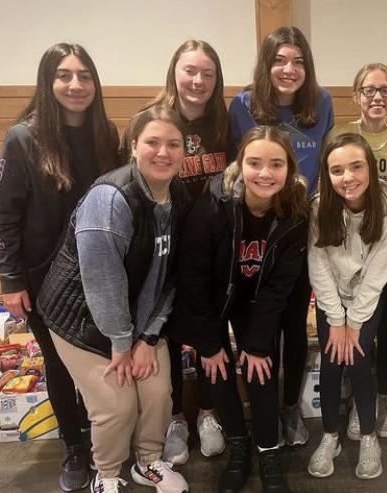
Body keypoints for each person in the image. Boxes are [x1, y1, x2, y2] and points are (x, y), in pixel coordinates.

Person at [0, 42, 118, 492]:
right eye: (64, 75)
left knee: (98, 361)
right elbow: (0, 216)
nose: (76, 85)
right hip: (43, 278)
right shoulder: (23, 138)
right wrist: (10, 280)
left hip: (98, 273)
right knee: (59, 365)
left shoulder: (106, 134)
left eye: (84, 75)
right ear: (48, 81)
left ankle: (103, 439)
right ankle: (74, 446)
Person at [36, 106, 192, 493]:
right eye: (153, 142)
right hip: (81, 318)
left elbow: (172, 276)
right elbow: (103, 283)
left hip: (137, 319)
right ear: (133, 146)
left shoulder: (180, 196)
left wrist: (149, 337)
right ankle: (106, 475)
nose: (164, 152)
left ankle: (148, 462)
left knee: (157, 393)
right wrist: (122, 344)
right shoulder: (110, 198)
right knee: (117, 405)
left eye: (174, 144)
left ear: (185, 150)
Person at [165, 126, 309, 493]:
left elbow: (279, 287)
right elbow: (194, 280)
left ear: (289, 168)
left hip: (256, 299)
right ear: (240, 164)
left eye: (276, 164)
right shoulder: (213, 205)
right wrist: (210, 344)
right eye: (255, 163)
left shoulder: (295, 212)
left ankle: (268, 450)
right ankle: (239, 447)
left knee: (261, 367)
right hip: (211, 299)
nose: (265, 173)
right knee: (216, 369)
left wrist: (257, 343)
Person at [122, 39, 231, 465]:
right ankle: (175, 418)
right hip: (161, 244)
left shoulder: (225, 123)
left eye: (207, 73)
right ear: (174, 72)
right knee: (163, 331)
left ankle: (208, 411)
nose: (198, 80)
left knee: (208, 326)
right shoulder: (153, 120)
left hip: (211, 246)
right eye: (190, 70)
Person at [227, 25, 334, 446]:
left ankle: (290, 406)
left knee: (292, 319)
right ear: (265, 65)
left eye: (298, 62)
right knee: (259, 318)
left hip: (300, 227)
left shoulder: (321, 102)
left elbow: (324, 166)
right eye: (279, 61)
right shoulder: (242, 105)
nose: (289, 70)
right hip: (256, 230)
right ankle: (262, 404)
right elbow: (238, 168)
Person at [307, 133, 387, 480]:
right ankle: (330, 436)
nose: (347, 177)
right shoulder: (319, 207)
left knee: (359, 360)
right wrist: (336, 319)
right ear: (327, 174)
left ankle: (368, 435)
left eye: (356, 167)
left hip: (366, 299)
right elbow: (318, 265)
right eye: (337, 170)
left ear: (371, 169)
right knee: (332, 362)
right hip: (332, 299)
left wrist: (354, 323)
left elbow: (376, 276)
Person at [326, 63, 387, 440]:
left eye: (385, 89)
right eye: (369, 90)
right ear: (356, 96)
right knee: (350, 331)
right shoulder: (340, 134)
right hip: (347, 247)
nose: (377, 97)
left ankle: (381, 396)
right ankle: (356, 394)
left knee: (384, 326)